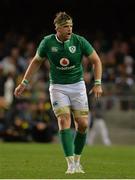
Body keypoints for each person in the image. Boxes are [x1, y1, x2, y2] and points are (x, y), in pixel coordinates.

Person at [14, 12, 103, 174]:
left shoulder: (79, 41)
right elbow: (36, 61)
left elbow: (96, 61)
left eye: (71, 26)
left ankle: (77, 160)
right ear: (57, 28)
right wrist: (24, 83)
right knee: (64, 121)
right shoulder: (47, 43)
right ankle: (70, 164)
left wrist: (97, 83)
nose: (69, 29)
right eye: (65, 26)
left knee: (82, 124)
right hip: (58, 87)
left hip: (77, 86)